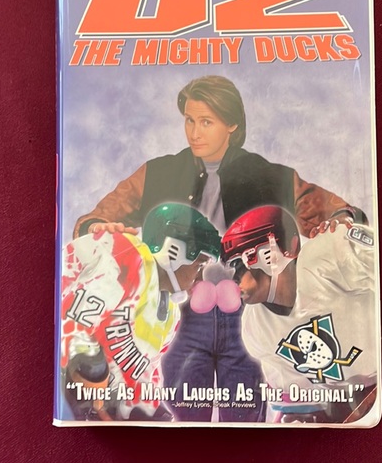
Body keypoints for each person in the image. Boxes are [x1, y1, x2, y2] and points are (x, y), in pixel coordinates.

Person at [73, 75, 366, 422]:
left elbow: (325, 207)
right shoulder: (158, 172)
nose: (194, 132)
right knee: (182, 418)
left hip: (246, 316)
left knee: (244, 421)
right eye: (189, 120)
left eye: (206, 122)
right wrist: (98, 227)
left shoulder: (268, 175)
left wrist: (341, 218)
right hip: (181, 317)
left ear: (232, 125)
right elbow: (98, 218)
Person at [60, 202, 221, 422]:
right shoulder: (126, 256)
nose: (200, 277)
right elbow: (72, 326)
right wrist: (91, 379)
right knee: (89, 367)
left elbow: (142, 374)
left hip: (95, 396)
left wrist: (144, 409)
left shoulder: (170, 314)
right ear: (173, 251)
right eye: (199, 266)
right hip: (55, 372)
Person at [221, 205, 377, 424]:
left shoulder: (329, 252)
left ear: (270, 253)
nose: (233, 278)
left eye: (238, 263)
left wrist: (348, 218)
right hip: (349, 402)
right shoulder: (253, 328)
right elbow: (297, 401)